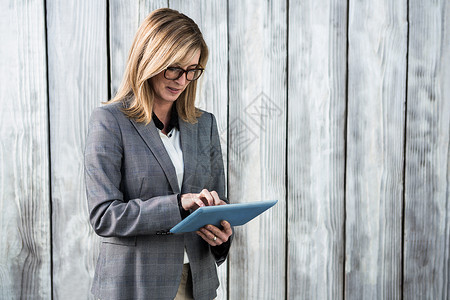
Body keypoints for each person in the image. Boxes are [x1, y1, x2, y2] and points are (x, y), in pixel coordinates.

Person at [84, 8, 232, 300]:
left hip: (197, 285)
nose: (182, 79)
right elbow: (104, 216)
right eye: (173, 67)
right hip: (135, 285)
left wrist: (221, 238)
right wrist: (178, 204)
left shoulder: (205, 124)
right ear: (149, 60)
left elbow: (217, 205)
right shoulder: (110, 122)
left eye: (192, 70)